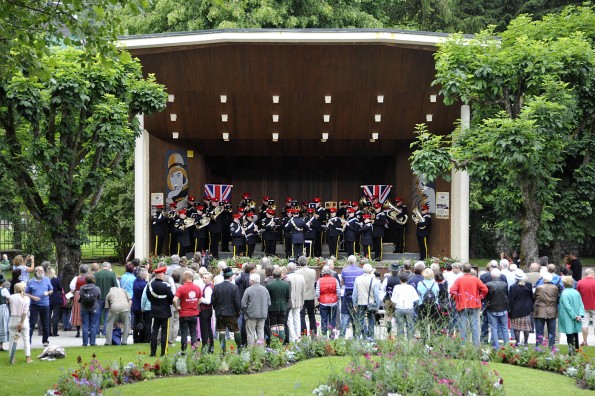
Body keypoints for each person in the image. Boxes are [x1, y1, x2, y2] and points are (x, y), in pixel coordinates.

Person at [450, 263, 488, 346]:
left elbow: (452, 291)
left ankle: (462, 346)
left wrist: (457, 298)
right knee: (475, 326)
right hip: (474, 305)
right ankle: (476, 346)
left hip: (463, 305)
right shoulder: (475, 279)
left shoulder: (459, 279)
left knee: (462, 326)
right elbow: (485, 289)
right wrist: (480, 297)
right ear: (470, 270)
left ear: (462, 270)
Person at [212, 267, 242, 352]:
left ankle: (224, 351)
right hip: (230, 313)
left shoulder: (217, 287)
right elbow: (237, 303)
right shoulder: (234, 287)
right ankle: (239, 349)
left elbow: (213, 301)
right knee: (236, 331)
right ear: (231, 277)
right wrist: (237, 312)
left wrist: (216, 309)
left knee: (222, 332)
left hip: (219, 313)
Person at [147, 266, 174, 357]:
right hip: (165, 311)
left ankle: (153, 353)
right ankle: (163, 353)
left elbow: (149, 297)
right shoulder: (166, 286)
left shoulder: (150, 285)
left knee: (154, 331)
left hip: (154, 310)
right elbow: (171, 298)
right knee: (164, 332)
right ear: (161, 274)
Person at [174, 270, 202, 352]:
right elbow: (200, 300)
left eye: (183, 275)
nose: (182, 276)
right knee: (193, 332)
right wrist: (195, 304)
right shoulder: (197, 288)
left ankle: (183, 350)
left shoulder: (181, 288)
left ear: (186, 277)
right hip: (194, 313)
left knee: (184, 333)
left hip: (184, 313)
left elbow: (174, 299)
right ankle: (194, 349)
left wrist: (177, 307)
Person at [25, 266, 52, 347]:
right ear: (35, 272)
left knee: (46, 323)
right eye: (39, 271)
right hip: (34, 305)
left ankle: (45, 340)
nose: (41, 272)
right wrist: (33, 297)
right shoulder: (30, 282)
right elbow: (26, 293)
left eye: (42, 271)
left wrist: (48, 293)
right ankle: (28, 341)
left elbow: (51, 289)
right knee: (32, 323)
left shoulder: (47, 279)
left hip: (45, 304)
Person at [241, 273, 271, 346]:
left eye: (249, 280)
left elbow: (243, 304)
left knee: (250, 333)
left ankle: (251, 350)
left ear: (252, 280)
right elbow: (269, 303)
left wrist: (246, 312)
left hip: (250, 315)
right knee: (261, 332)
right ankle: (260, 350)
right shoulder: (265, 289)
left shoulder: (248, 290)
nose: (248, 281)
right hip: (262, 315)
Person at [352, 264, 380, 339]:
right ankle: (370, 336)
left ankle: (362, 336)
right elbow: (376, 295)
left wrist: (354, 304)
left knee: (360, 320)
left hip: (360, 302)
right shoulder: (375, 281)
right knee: (371, 319)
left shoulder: (357, 279)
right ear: (371, 271)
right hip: (371, 303)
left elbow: (354, 294)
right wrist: (377, 305)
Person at [558, 276, 585, 355]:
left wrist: (574, 316)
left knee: (569, 334)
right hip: (576, 316)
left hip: (568, 316)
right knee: (575, 333)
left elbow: (567, 307)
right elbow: (581, 304)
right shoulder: (576, 292)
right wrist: (580, 315)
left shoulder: (564, 293)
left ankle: (571, 352)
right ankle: (576, 350)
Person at [508, 269, 534, 346]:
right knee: (526, 328)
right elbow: (531, 297)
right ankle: (526, 342)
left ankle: (517, 342)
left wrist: (509, 310)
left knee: (516, 328)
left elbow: (510, 300)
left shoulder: (513, 287)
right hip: (526, 309)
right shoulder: (529, 285)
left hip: (516, 310)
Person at [484, 269, 509, 349]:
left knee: (493, 328)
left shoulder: (488, 285)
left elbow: (486, 296)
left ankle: (496, 347)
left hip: (492, 308)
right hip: (502, 308)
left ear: (492, 276)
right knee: (504, 328)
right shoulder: (504, 284)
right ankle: (507, 346)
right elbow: (506, 294)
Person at [339, 255, 364, 337]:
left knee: (345, 316)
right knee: (357, 317)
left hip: (347, 294)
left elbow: (342, 283)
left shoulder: (344, 271)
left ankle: (341, 336)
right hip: (358, 295)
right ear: (356, 261)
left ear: (348, 262)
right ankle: (356, 336)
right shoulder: (361, 271)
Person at [533, 272, 559, 348]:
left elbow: (534, 297)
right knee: (551, 332)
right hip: (552, 311)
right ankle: (551, 347)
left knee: (539, 332)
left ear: (544, 279)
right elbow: (557, 297)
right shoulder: (555, 288)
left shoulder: (539, 288)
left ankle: (538, 347)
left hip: (540, 311)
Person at [8, 282, 32, 363]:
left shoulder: (11, 297)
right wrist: (21, 322)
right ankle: (28, 358)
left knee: (12, 339)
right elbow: (25, 312)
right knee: (26, 339)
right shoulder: (26, 298)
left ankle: (12, 358)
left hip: (13, 318)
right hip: (23, 319)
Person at [391, 273, 419, 340]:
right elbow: (416, 298)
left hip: (399, 308)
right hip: (409, 308)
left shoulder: (396, 287)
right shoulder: (411, 287)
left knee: (399, 326)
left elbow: (393, 300)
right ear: (407, 279)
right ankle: (410, 342)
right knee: (410, 326)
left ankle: (400, 342)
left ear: (399, 279)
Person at [265, 267, 290, 342]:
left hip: (272, 307)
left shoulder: (270, 285)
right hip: (283, 306)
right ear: (280, 275)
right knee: (281, 325)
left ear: (273, 275)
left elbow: (268, 297)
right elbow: (287, 296)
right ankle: (281, 342)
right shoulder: (286, 284)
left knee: (273, 326)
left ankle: (274, 342)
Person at [94, 262, 119, 337]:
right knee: (107, 315)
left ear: (102, 267)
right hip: (109, 297)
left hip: (98, 297)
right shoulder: (112, 274)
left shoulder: (96, 274)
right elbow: (115, 286)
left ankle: (96, 333)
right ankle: (105, 332)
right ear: (109, 267)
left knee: (97, 315)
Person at [316, 265, 340, 338]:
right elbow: (338, 291)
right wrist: (337, 298)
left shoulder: (319, 280)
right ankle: (332, 335)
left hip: (323, 302)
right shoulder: (335, 280)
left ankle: (323, 336)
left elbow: (317, 292)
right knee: (332, 319)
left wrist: (318, 298)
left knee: (324, 319)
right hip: (333, 302)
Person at [417, 268, 440, 339]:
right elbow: (437, 293)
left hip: (422, 304)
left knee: (423, 323)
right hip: (434, 304)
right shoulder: (435, 284)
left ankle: (424, 340)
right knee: (434, 323)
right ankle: (433, 341)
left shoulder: (420, 283)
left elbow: (419, 293)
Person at [296, 256, 317, 336]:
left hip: (301, 296)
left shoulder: (297, 272)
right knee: (311, 315)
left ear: (298, 263)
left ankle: (303, 334)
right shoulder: (312, 271)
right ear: (307, 262)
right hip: (310, 295)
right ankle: (313, 334)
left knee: (302, 316)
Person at [79, 275, 101, 347]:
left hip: (84, 307)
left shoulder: (82, 288)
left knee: (85, 326)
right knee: (93, 325)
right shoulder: (96, 288)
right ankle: (92, 343)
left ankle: (85, 343)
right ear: (93, 280)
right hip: (94, 307)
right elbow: (98, 297)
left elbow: (81, 296)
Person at [286, 262, 305, 342]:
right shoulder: (301, 277)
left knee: (290, 319)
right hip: (298, 300)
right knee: (297, 319)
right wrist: (302, 301)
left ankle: (292, 337)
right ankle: (298, 336)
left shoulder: (287, 277)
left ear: (288, 269)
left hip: (289, 301)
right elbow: (303, 291)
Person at [132, 268, 150, 344]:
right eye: (146, 274)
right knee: (144, 322)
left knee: (136, 322)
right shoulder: (143, 284)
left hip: (135, 305)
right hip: (141, 306)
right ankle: (143, 338)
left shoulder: (135, 281)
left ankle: (136, 338)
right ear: (143, 275)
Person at [382, 263, 401, 336]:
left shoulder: (387, 279)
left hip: (389, 299)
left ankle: (389, 333)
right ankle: (398, 333)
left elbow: (383, 289)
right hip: (398, 300)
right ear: (398, 271)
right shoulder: (400, 279)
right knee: (398, 316)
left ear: (391, 271)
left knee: (389, 316)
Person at [577, 268, 595, 346]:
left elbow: (577, 295)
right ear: (592, 273)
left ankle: (585, 341)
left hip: (584, 306)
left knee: (584, 324)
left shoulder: (580, 282)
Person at [199, 272, 215, 352]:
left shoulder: (208, 288)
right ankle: (210, 347)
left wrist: (201, 299)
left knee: (205, 329)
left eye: (206, 278)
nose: (204, 279)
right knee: (208, 328)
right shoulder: (210, 286)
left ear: (210, 279)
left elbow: (208, 301)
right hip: (208, 310)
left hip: (205, 310)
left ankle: (205, 346)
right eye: (203, 277)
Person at [47, 268, 63, 337]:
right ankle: (55, 332)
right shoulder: (57, 280)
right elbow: (60, 288)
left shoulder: (45, 280)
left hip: (48, 298)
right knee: (55, 316)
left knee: (48, 316)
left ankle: (48, 332)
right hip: (56, 298)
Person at [0, 275, 9, 350]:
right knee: (2, 325)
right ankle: (1, 345)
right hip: (2, 308)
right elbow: (9, 299)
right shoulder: (4, 290)